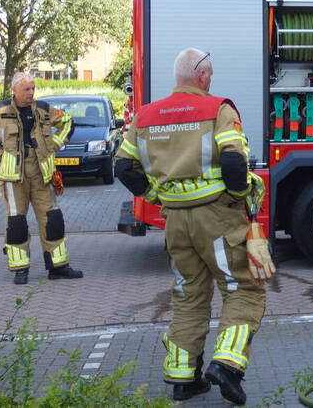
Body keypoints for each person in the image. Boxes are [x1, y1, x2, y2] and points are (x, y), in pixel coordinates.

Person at [114, 48, 275, 405]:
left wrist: (158, 196)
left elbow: (124, 169)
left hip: (174, 222)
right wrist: (237, 195)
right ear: (201, 76)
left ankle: (183, 379)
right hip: (217, 217)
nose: (211, 80)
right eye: (210, 75)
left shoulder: (145, 115)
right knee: (243, 288)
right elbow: (234, 160)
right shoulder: (218, 109)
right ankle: (227, 366)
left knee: (188, 294)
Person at [0, 73, 82, 284]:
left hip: (42, 175)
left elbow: (68, 122)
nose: (31, 93)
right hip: (13, 178)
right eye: (26, 89)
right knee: (16, 223)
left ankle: (58, 266)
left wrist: (54, 145)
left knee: (53, 220)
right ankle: (20, 269)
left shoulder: (43, 109)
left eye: (33, 88)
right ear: (14, 90)